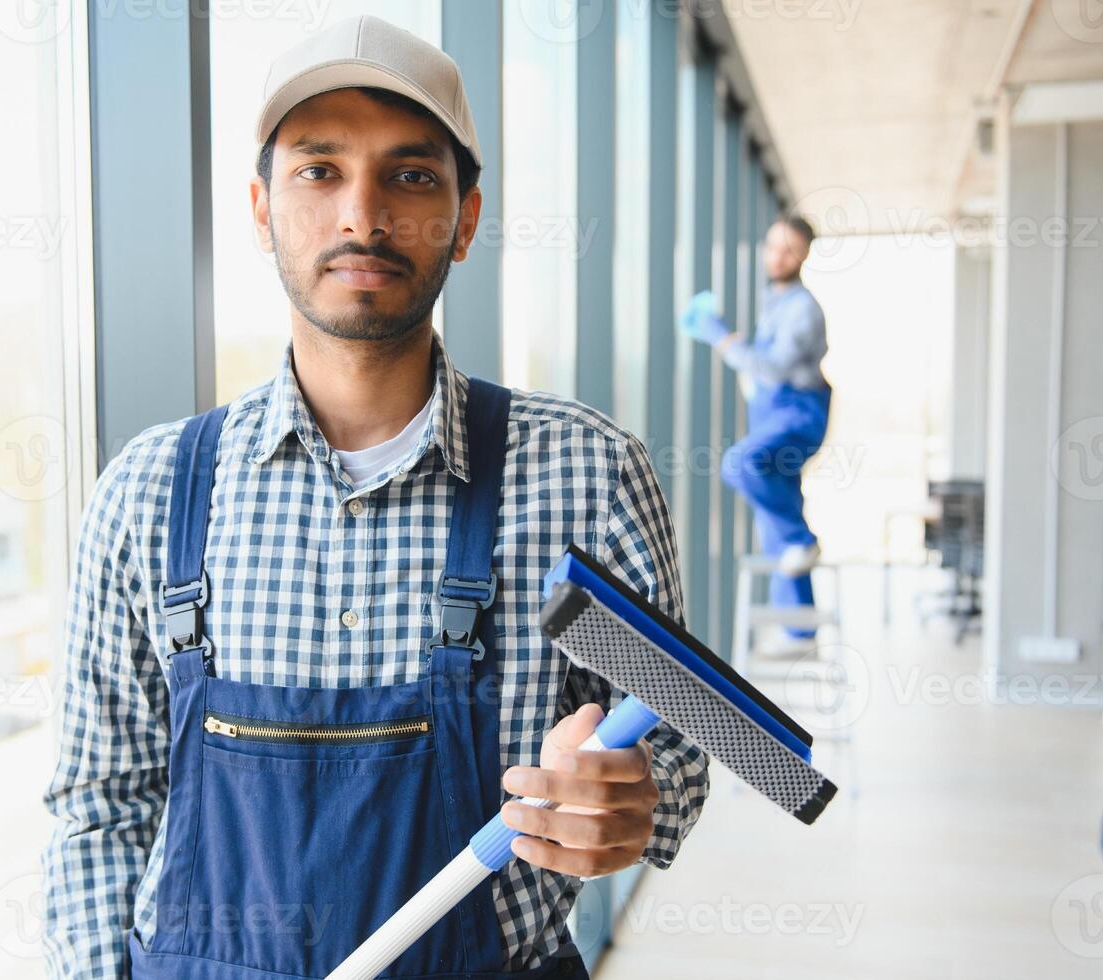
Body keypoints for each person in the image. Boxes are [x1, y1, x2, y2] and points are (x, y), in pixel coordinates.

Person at [42, 16, 706, 980]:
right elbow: (99, 806)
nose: (362, 214)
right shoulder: (150, 494)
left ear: (465, 219)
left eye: (410, 175)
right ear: (262, 209)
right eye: (319, 171)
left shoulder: (585, 477)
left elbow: (678, 755)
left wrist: (626, 796)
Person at [680, 215, 831, 643]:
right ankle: (799, 633)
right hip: (772, 415)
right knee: (775, 527)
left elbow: (772, 367)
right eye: (772, 245)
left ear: (802, 255)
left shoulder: (802, 308)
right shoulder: (774, 301)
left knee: (741, 464)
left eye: (788, 249)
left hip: (798, 418)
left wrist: (724, 340)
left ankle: (805, 540)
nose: (777, 256)